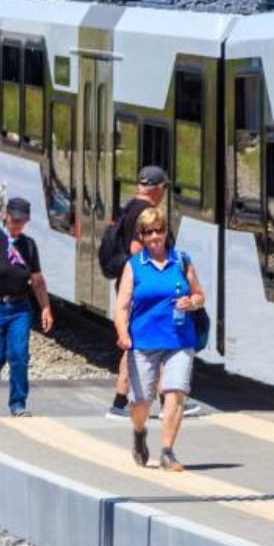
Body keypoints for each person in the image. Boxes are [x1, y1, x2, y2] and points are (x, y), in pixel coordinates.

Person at [103, 166, 201, 420]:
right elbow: (137, 249)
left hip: (138, 285)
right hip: (143, 288)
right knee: (140, 346)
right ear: (157, 189)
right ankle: (122, 403)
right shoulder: (145, 214)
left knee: (152, 343)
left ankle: (162, 398)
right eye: (164, 189)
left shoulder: (130, 207)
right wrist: (155, 276)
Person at [114, 209, 206, 471]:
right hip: (143, 341)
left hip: (179, 340)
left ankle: (167, 451)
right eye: (148, 232)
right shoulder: (134, 266)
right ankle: (139, 432)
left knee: (175, 392)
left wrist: (192, 302)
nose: (155, 236)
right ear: (142, 236)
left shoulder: (181, 260)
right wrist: (122, 334)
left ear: (166, 232)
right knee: (141, 401)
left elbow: (200, 295)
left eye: (159, 230)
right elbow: (121, 307)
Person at [0, 197, 53, 419]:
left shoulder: (29, 245)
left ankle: (18, 404)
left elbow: (37, 280)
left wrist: (45, 308)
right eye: (15, 220)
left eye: (22, 221)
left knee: (19, 355)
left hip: (19, 308)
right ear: (6, 215)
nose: (17, 225)